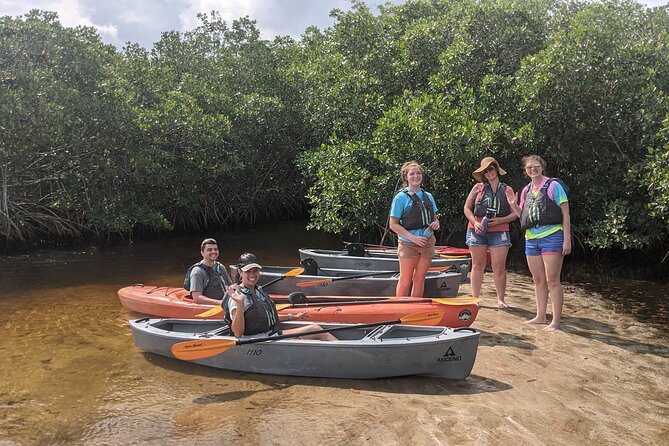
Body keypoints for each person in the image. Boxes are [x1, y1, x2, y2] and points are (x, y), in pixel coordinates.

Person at [506, 155, 571, 332]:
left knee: (553, 280)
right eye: (529, 168)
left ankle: (555, 322)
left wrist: (567, 239)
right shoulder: (526, 190)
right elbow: (524, 216)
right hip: (531, 239)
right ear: (525, 171)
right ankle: (540, 316)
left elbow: (565, 213)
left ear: (542, 167)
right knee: (538, 279)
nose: (533, 170)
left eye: (536, 166)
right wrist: (513, 205)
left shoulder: (554, 186)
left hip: (552, 236)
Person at [224, 253, 338, 340]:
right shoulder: (237, 295)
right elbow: (238, 333)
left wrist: (292, 317)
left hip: (271, 334)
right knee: (315, 329)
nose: (252, 275)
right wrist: (239, 304)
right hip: (257, 339)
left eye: (255, 271)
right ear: (240, 272)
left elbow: (266, 316)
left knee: (315, 328)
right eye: (248, 271)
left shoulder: (258, 290)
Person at [463, 157, 517, 309]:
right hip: (477, 229)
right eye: (485, 171)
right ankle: (475, 298)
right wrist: (475, 222)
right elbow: (467, 208)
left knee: (498, 266)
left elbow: (515, 213)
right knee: (477, 265)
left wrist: (501, 220)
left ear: (496, 169)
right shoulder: (478, 188)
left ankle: (501, 299)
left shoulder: (507, 189)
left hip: (500, 230)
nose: (489, 172)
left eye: (491, 169)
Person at [388, 161, 440, 297]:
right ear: (406, 177)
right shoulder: (400, 198)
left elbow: (435, 218)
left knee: (420, 278)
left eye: (418, 173)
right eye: (412, 174)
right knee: (405, 279)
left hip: (427, 243)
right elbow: (393, 224)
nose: (415, 176)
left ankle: (415, 306)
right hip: (408, 244)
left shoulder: (428, 196)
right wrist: (413, 238)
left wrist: (436, 224)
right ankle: (399, 309)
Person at [187, 238, 233, 305]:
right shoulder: (197, 272)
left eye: (215, 249)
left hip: (226, 303)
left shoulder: (220, 267)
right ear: (202, 253)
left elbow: (230, 286)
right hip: (211, 307)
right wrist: (219, 303)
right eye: (209, 250)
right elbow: (197, 298)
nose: (213, 252)